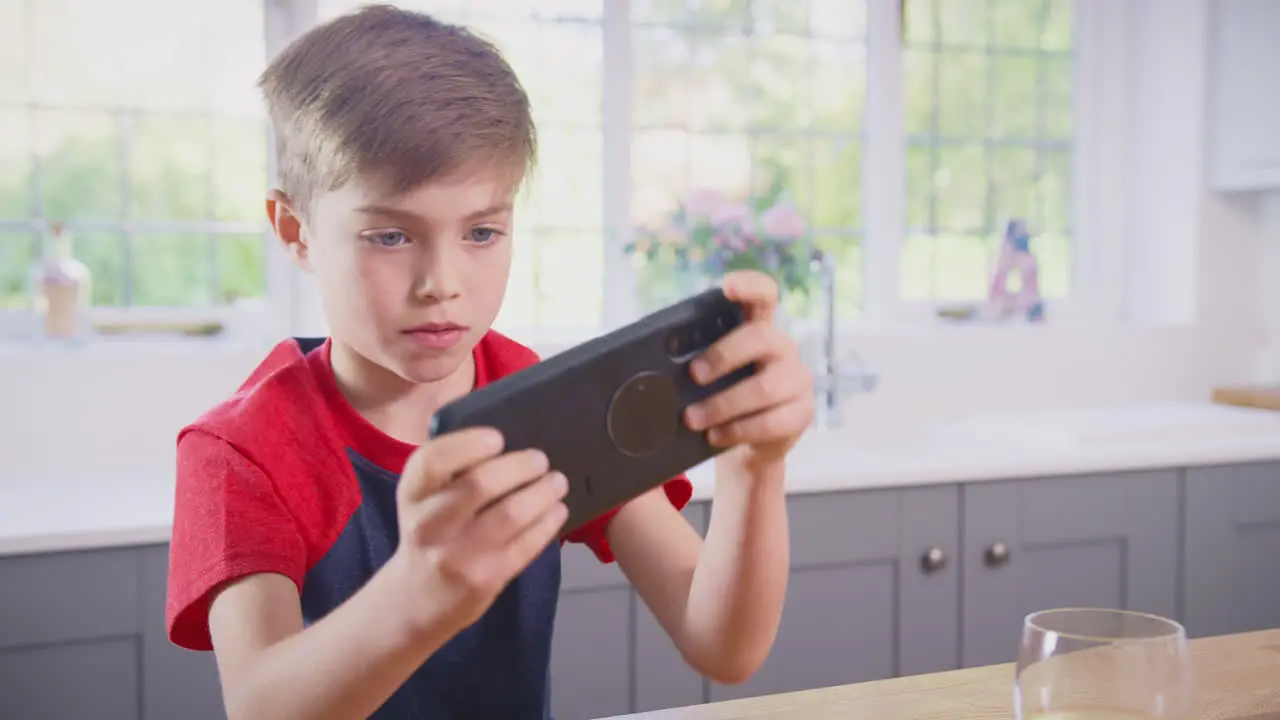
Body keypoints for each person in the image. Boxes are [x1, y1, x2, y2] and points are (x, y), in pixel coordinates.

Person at [164, 4, 814, 719]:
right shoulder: (239, 452)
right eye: (389, 236)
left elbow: (722, 643)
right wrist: (417, 597)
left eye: (481, 231)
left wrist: (756, 468)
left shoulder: (535, 394)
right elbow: (260, 708)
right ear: (297, 232)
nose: (441, 281)